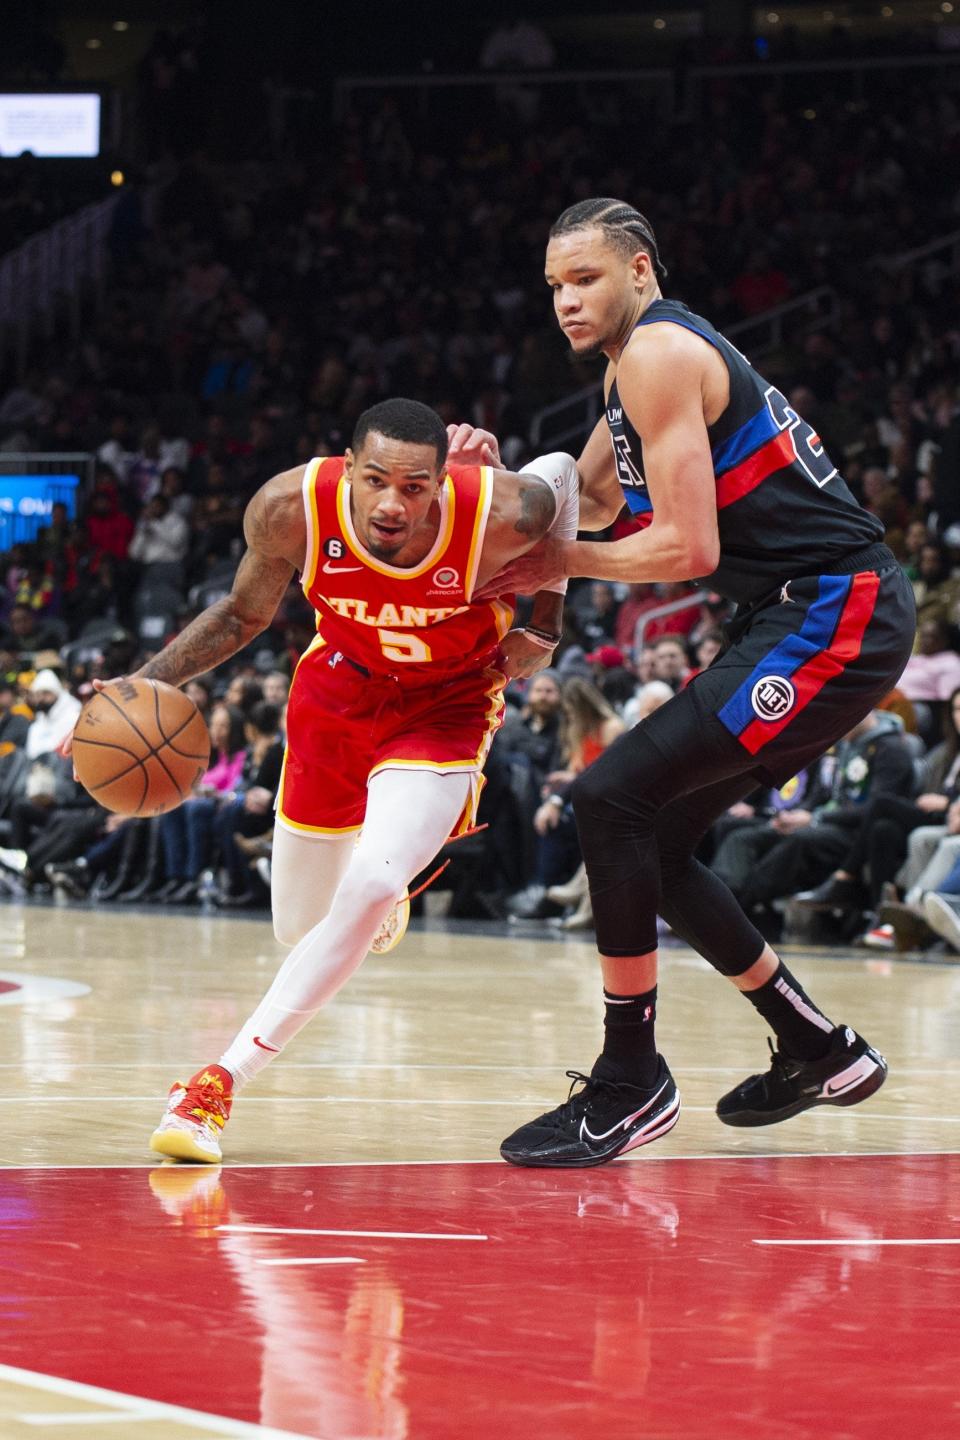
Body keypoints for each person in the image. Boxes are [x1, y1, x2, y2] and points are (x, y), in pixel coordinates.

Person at [467, 197, 916, 1166]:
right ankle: (818, 1050)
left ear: (640, 270)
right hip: (799, 616)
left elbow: (686, 546)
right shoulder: (630, 377)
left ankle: (631, 1082)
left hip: (834, 610)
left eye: (584, 279)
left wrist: (558, 568)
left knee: (607, 796)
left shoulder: (661, 356)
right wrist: (474, 486)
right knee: (656, 843)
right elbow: (570, 499)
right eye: (553, 287)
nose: (566, 303)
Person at [72, 398, 579, 1162]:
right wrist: (137, 682)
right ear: (347, 467)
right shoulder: (290, 508)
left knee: (371, 882)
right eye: (375, 480)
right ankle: (376, 891)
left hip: (446, 706)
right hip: (336, 699)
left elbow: (567, 474)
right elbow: (242, 616)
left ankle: (214, 1086)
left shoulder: (500, 509)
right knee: (298, 926)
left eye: (415, 487)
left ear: (443, 482)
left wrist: (547, 620)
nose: (391, 503)